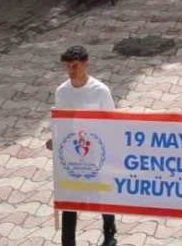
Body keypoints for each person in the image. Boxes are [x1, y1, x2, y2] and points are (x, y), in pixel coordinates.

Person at [47, 45, 119, 246]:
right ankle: (68, 242)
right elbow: (60, 121)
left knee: (100, 194)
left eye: (75, 66)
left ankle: (109, 234)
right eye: (68, 67)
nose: (71, 71)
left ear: (86, 65)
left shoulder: (100, 91)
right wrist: (55, 140)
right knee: (69, 197)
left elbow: (111, 121)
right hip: (71, 152)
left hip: (96, 151)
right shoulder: (62, 91)